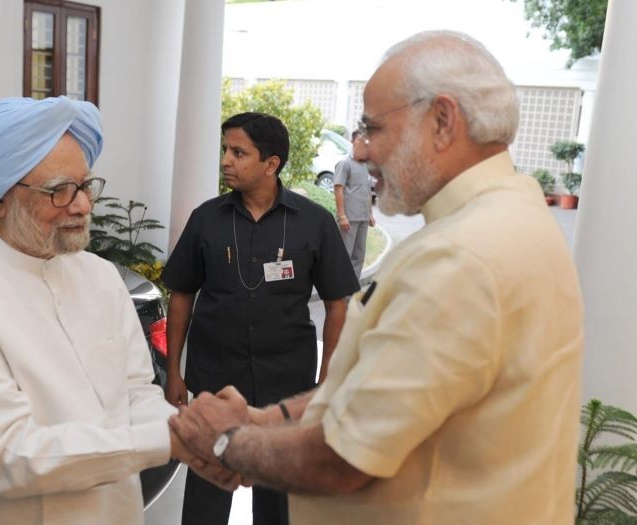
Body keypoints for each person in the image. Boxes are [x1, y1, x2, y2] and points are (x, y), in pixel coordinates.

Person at [170, 31, 584, 525]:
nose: (362, 152)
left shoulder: (460, 259)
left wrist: (225, 442)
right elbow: (381, 390)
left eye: (372, 128)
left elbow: (342, 459)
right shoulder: (517, 213)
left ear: (442, 121)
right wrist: (268, 419)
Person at [0, 96, 222, 525]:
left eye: (85, 186)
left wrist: (191, 434)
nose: (83, 205)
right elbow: (6, 457)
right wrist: (172, 440)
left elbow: (136, 393)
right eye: (59, 190)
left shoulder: (102, 278)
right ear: (0, 199)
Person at [162, 112, 359, 524]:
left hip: (285, 381)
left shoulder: (314, 222)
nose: (225, 161)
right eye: (225, 150)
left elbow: (337, 303)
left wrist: (327, 377)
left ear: (271, 164)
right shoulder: (206, 219)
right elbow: (181, 294)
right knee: (206, 490)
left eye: (238, 153)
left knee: (278, 498)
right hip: (215, 377)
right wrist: (174, 371)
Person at [334, 129, 376, 280]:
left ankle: (353, 286)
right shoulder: (345, 164)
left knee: (359, 255)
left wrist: (370, 214)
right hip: (349, 219)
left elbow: (368, 191)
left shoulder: (365, 166)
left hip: (363, 217)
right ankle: (340, 287)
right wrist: (342, 216)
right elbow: (338, 189)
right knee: (345, 255)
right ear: (352, 142)